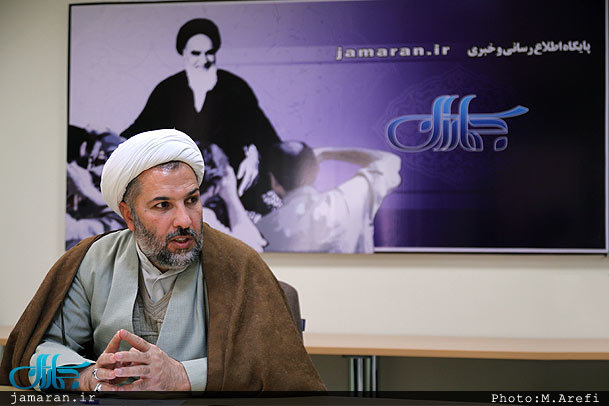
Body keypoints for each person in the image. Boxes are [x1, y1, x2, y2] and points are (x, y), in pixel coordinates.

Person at [0, 129, 324, 392]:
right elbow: (44, 347)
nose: (184, 219)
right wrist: (88, 376)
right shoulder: (93, 259)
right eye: (162, 205)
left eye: (191, 200)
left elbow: (271, 365)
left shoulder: (238, 263)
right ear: (129, 215)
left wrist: (182, 376)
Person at [120, 18, 281, 214]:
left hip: (235, 192)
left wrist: (255, 154)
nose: (203, 60)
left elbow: (265, 135)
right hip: (180, 192)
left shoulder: (235, 87)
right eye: (196, 53)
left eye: (209, 53)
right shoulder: (168, 89)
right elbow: (138, 132)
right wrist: (107, 142)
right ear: (183, 53)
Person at [256, 142, 402, 253]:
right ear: (315, 171)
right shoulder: (348, 200)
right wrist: (326, 153)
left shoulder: (262, 230)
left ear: (274, 182)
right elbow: (390, 161)